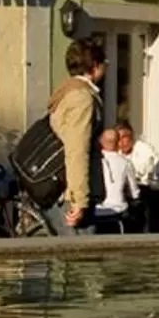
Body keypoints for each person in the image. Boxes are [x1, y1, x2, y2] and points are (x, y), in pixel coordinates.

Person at [48, 39, 106, 231]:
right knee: (82, 258)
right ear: (95, 66)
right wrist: (79, 200)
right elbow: (77, 150)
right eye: (103, 63)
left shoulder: (65, 92)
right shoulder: (82, 98)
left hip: (62, 188)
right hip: (72, 193)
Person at [115, 121, 159, 232]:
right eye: (118, 139)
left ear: (131, 136)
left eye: (124, 137)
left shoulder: (144, 149)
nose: (121, 143)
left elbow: (157, 174)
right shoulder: (116, 153)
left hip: (146, 190)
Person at [93, 129, 138, 231]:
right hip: (119, 209)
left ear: (100, 141)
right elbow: (134, 193)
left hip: (97, 209)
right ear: (118, 143)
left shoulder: (94, 161)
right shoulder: (125, 163)